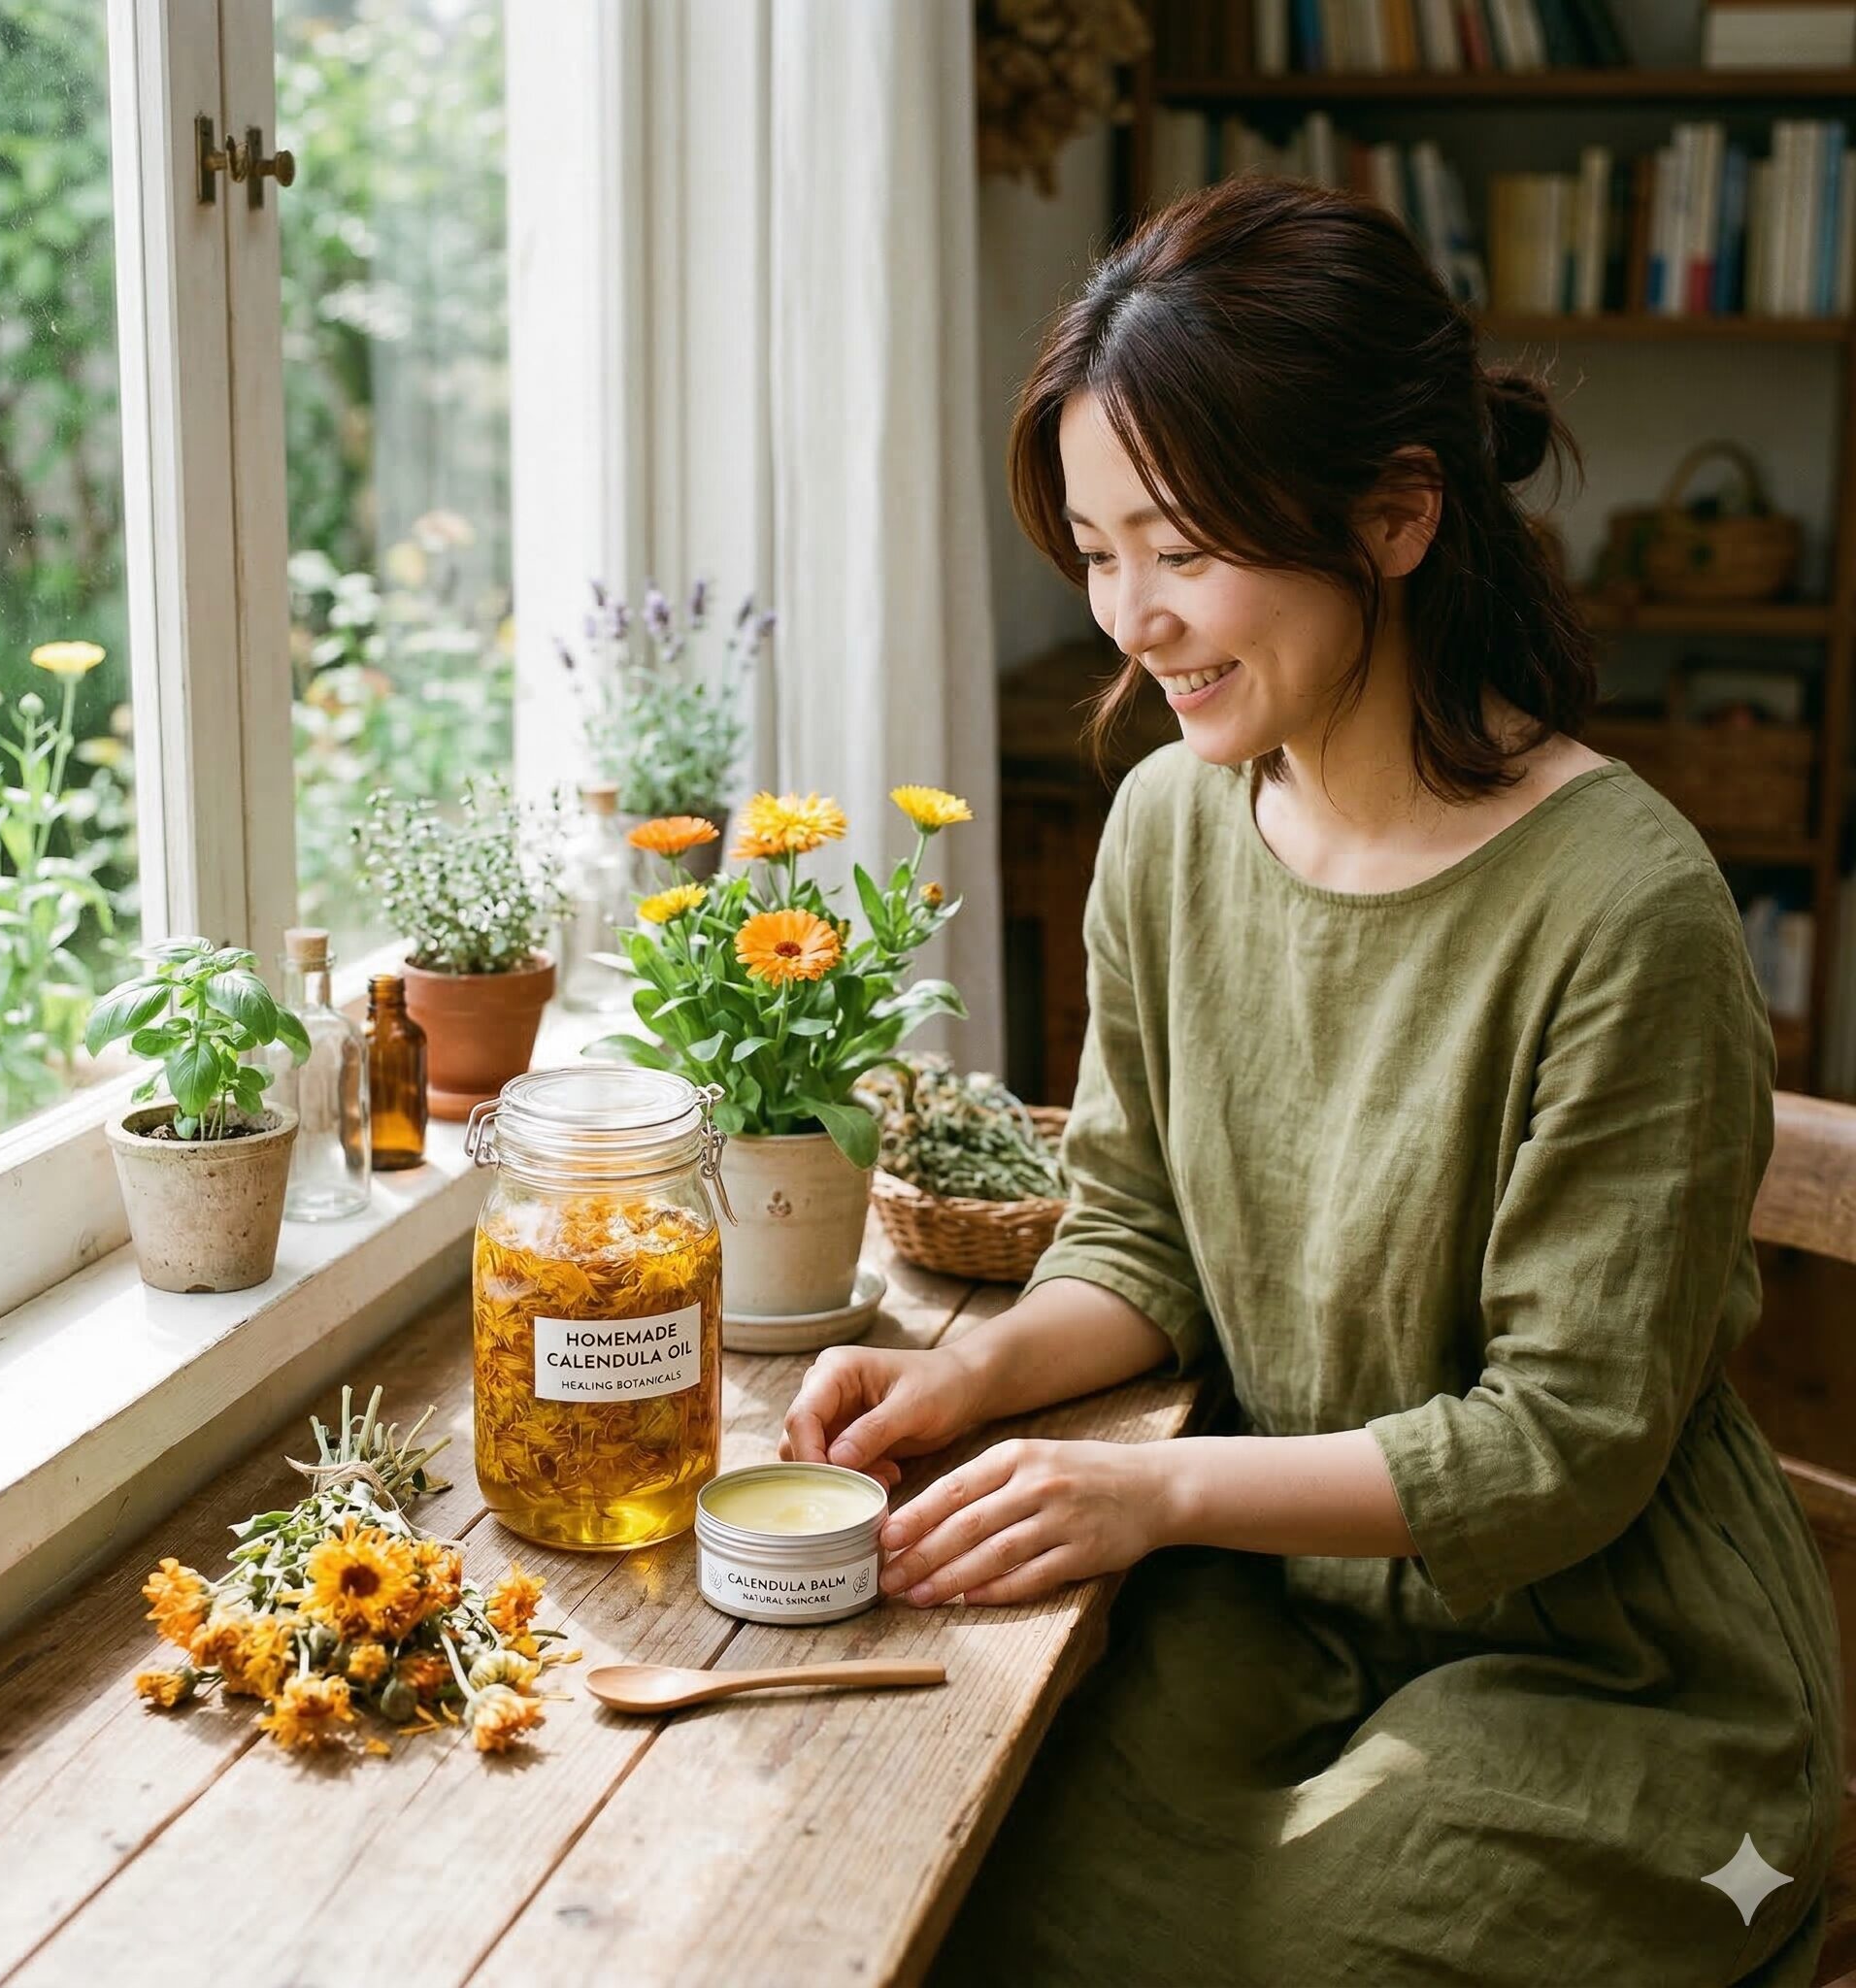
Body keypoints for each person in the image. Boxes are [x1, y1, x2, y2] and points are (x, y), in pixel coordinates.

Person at [778, 178, 1842, 1985]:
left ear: (1399, 515)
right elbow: (1136, 1241)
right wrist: (966, 1378)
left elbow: (1562, 1452)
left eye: (1183, 551)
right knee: (941, 1856)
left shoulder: (1631, 911)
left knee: (1281, 1960)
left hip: (1618, 1682)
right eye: (1100, 551)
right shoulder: (1165, 832)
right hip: (1277, 1611)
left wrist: (1158, 1495)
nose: (1132, 618)